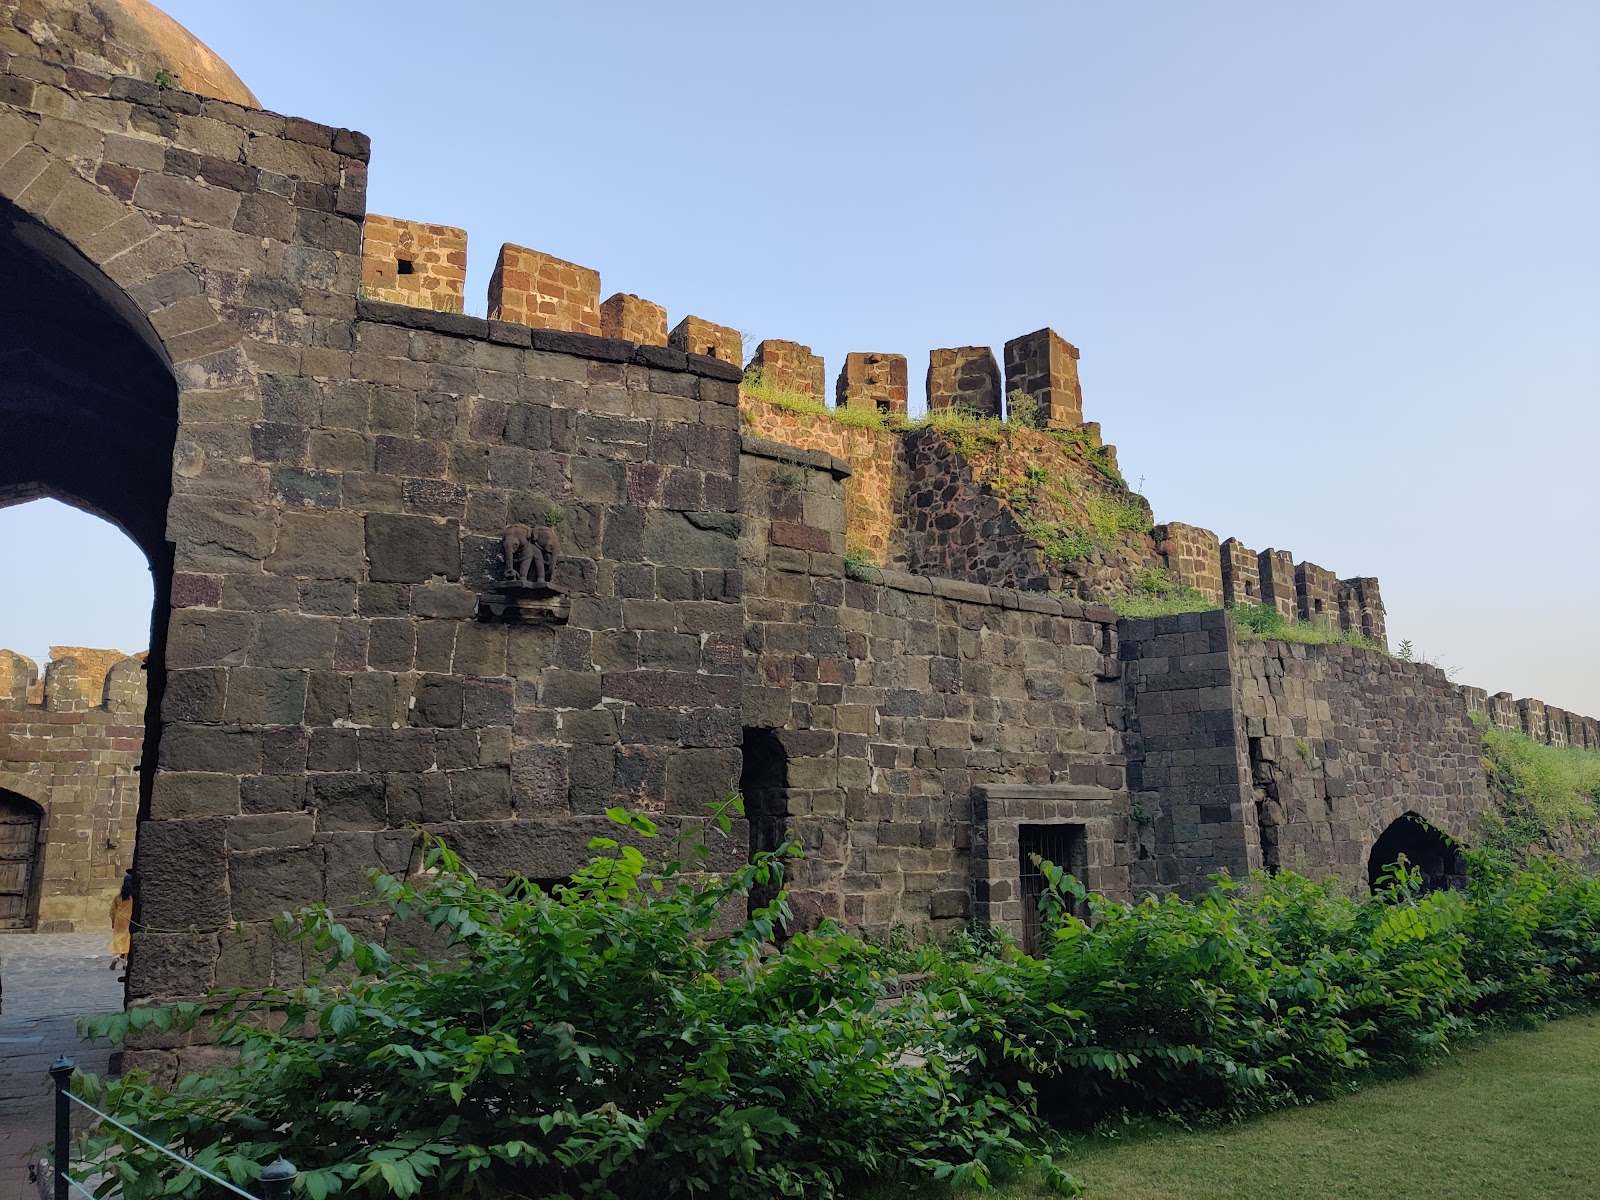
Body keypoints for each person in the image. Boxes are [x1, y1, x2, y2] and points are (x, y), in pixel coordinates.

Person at [109, 869, 133, 976]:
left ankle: (117, 955)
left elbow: (112, 910)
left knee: (118, 937)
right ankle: (125, 960)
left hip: (119, 918)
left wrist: (113, 920)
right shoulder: (132, 897)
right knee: (126, 937)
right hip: (129, 918)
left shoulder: (118, 896)